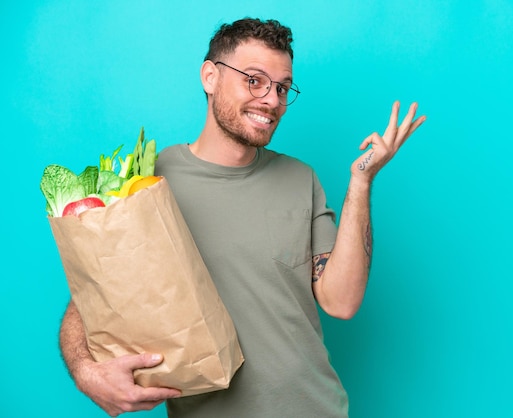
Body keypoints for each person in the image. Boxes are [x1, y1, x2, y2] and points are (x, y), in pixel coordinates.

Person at [59, 17, 426, 417]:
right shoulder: (150, 181)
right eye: (254, 80)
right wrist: (86, 372)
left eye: (282, 87)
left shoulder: (301, 179)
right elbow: (91, 298)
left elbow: (341, 301)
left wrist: (361, 182)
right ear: (210, 77)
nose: (271, 99)